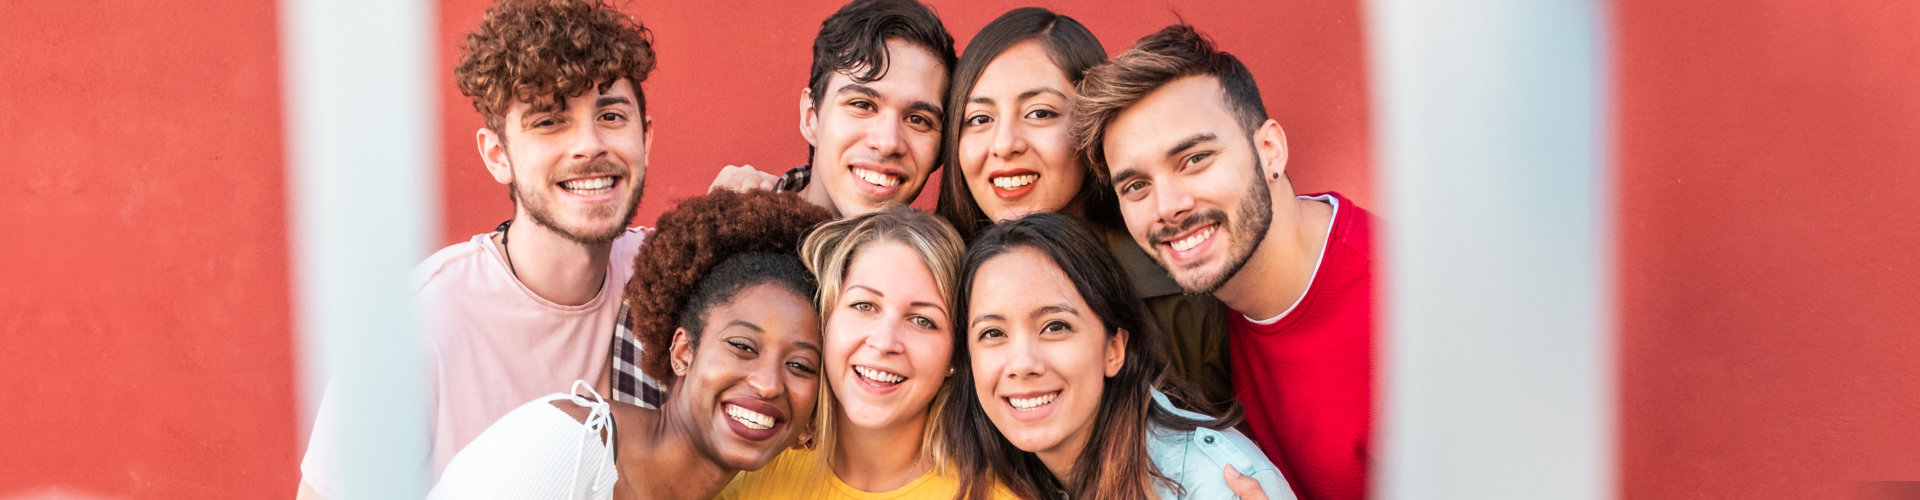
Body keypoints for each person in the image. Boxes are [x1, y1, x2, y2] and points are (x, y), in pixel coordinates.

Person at [298, 0, 658, 496]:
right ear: (497, 155)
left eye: (612, 115)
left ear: (646, 136)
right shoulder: (413, 326)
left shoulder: (669, 277)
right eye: (549, 121)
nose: (589, 145)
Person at [1073, 25, 1376, 500]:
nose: (1167, 205)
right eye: (1136, 186)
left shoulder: (1417, 313)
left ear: (1269, 150)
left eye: (1194, 159)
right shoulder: (1199, 311)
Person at [427, 190, 835, 499]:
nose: (768, 383)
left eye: (800, 365)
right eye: (743, 346)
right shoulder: (568, 447)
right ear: (683, 351)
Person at [931, 7, 1235, 409]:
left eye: (1039, 113)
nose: (1004, 144)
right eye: (979, 118)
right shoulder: (932, 286)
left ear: (1092, 128)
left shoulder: (1178, 284)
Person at [946, 213, 1289, 500]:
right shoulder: (994, 473)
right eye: (992, 333)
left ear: (1114, 349)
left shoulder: (1221, 486)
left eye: (1055, 327)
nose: (1022, 364)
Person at [721, 207, 1006, 499]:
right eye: (864, 305)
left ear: (955, 356)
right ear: (826, 320)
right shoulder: (747, 471)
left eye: (923, 321)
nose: (884, 342)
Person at [708, 0, 957, 218]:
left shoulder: (950, 268)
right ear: (811, 117)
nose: (888, 142)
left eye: (918, 119)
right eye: (862, 105)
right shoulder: (731, 234)